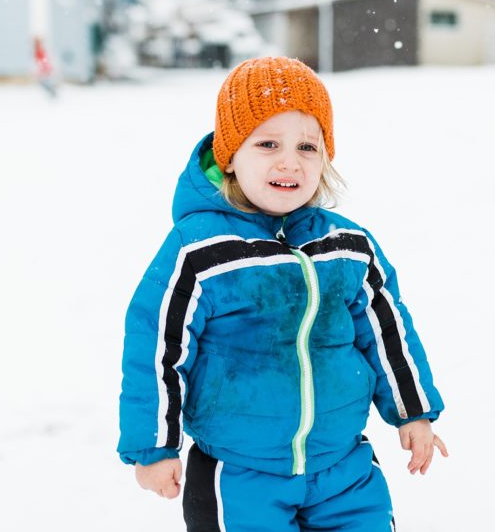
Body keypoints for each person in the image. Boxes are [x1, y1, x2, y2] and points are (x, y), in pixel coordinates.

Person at [118, 56, 447, 531]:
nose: (289, 161)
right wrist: (153, 445)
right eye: (268, 143)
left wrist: (413, 411)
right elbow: (157, 346)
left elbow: (386, 329)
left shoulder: (347, 246)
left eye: (307, 146)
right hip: (240, 472)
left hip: (344, 468)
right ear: (230, 154)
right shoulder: (201, 249)